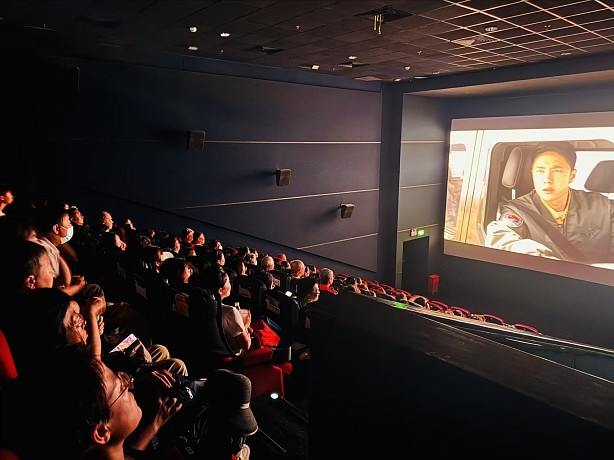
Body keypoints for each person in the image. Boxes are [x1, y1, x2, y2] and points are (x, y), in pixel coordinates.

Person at [485, 141, 614, 263]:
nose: (547, 179)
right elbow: (503, 241)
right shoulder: (517, 211)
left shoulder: (603, 207)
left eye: (557, 171)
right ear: (532, 174)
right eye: (540, 171)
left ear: (572, 176)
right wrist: (544, 262)